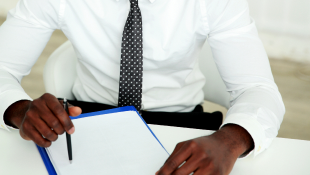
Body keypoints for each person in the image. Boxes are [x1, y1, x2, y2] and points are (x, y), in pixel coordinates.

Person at [0, 0, 285, 174]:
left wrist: (231, 140)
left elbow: (256, 87)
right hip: (85, 122)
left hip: (181, 125)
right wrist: (18, 109)